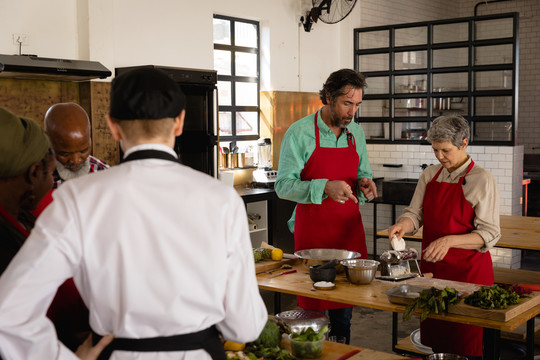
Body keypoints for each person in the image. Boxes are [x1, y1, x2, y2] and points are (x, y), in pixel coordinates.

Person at [0, 68, 267, 359]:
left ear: (113, 126)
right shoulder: (221, 199)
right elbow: (245, 327)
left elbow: (8, 313)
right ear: (179, 122)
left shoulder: (74, 199)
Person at [274, 68, 377, 344]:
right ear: (329, 97)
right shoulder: (300, 133)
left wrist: (365, 184)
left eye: (357, 105)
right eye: (347, 103)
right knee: (312, 311)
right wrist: (324, 187)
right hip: (313, 236)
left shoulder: (355, 132)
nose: (352, 112)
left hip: (348, 232)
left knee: (344, 311)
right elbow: (283, 185)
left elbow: (361, 174)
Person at [0, 106, 111, 360]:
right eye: (52, 169)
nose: (74, 160)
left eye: (83, 150)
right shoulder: (13, 236)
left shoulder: (104, 176)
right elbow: (14, 322)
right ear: (33, 173)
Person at [387, 115, 501, 359]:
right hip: (433, 274)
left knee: (467, 344)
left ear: (464, 144)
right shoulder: (430, 174)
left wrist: (450, 240)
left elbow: (490, 233)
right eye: (435, 149)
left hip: (468, 277)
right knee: (440, 345)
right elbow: (415, 214)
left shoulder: (482, 179)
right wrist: (403, 225)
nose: (439, 156)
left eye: (445, 150)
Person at [32, 102, 109, 215]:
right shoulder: (34, 180)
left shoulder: (103, 172)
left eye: (83, 151)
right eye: (65, 154)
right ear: (48, 142)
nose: (76, 160)